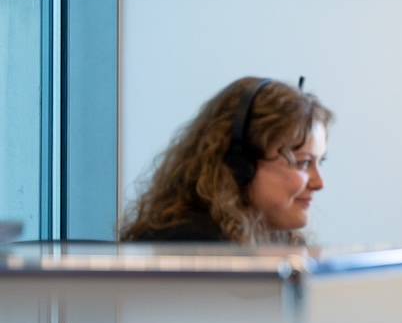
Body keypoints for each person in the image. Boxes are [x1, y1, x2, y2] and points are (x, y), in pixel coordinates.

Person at [119, 77, 331, 244]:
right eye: (303, 163)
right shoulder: (188, 245)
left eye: (319, 162)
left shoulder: (278, 244)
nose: (319, 183)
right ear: (240, 165)